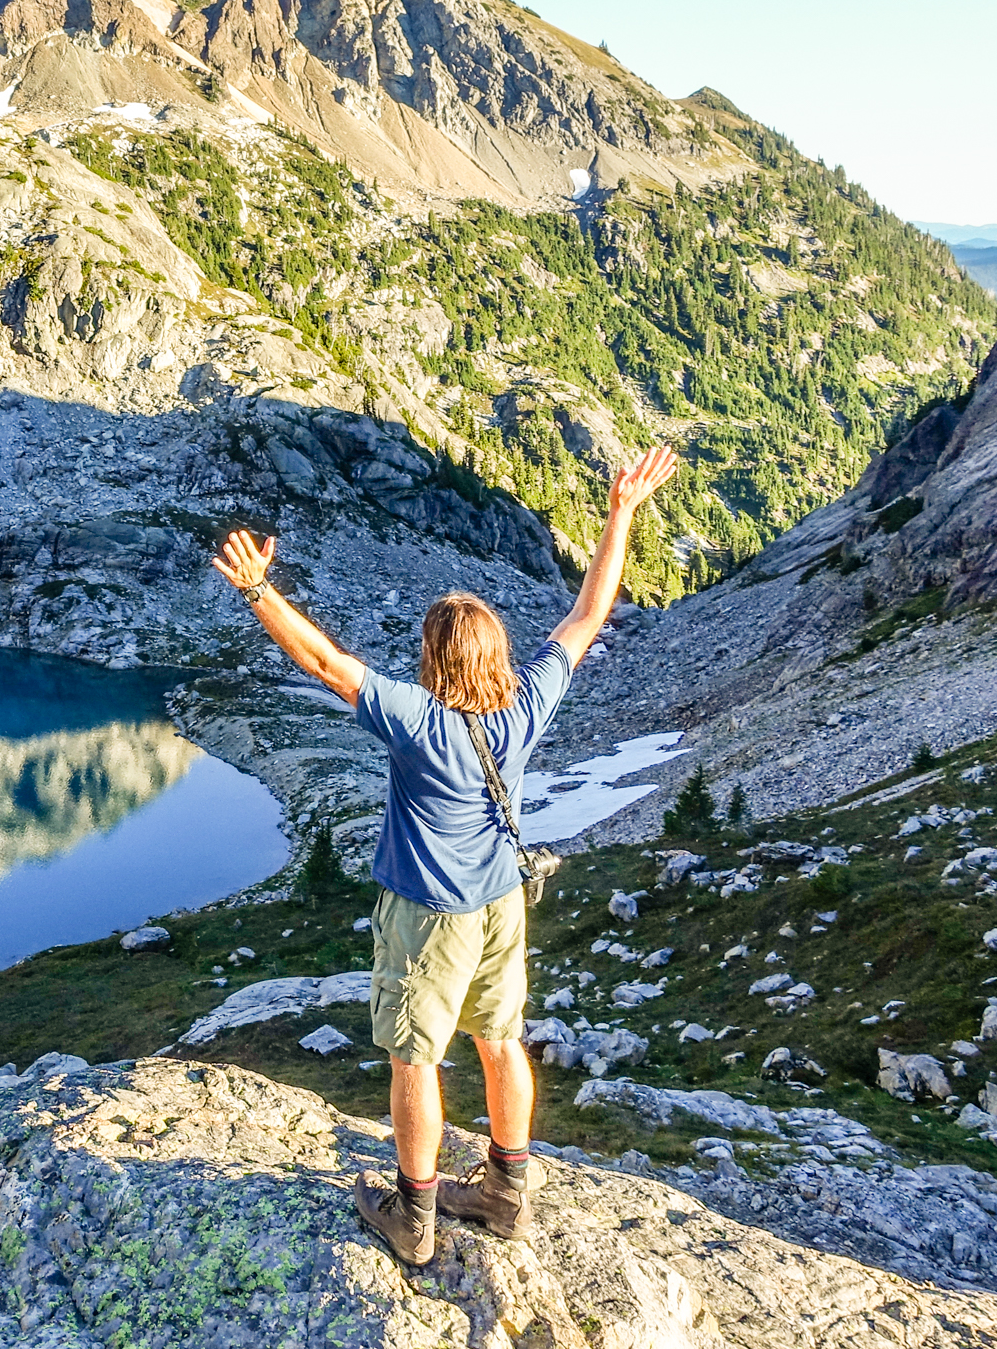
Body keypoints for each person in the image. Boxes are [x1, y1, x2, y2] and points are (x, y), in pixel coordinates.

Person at [211, 444, 680, 1264]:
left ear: (432, 659)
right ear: (495, 657)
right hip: (503, 904)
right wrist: (621, 515)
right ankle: (504, 1195)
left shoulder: (417, 721)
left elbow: (325, 662)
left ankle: (415, 1219)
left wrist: (257, 589)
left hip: (431, 917)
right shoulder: (524, 706)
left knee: (413, 1058)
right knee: (502, 1042)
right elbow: (586, 615)